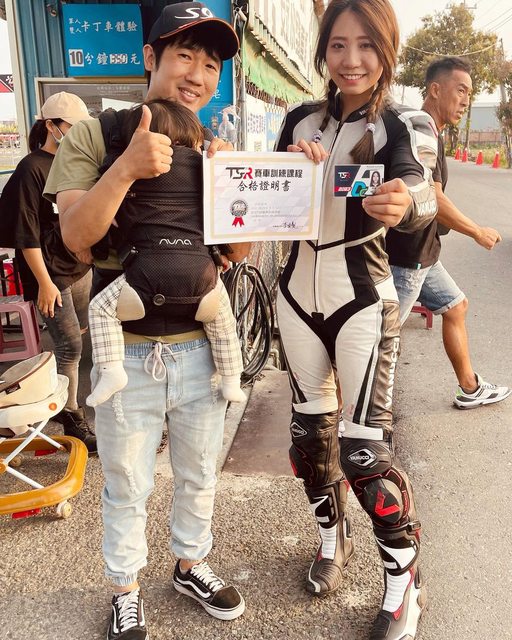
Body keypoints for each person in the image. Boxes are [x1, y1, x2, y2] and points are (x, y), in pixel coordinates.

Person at [44, 3, 250, 638]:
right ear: (150, 57)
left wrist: (232, 183)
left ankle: (190, 562)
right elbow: (75, 236)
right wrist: (127, 167)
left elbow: (239, 252)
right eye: (185, 55)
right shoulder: (95, 135)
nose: (198, 74)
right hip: (125, 349)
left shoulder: (214, 147)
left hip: (200, 346)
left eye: (211, 65)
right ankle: (124, 587)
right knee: (127, 481)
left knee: (200, 472)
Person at [274, 1, 438, 638]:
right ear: (323, 51)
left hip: (364, 300)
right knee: (308, 443)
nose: (351, 60)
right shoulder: (297, 119)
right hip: (294, 297)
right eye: (338, 45)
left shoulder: (402, 123)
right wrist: (286, 164)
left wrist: (406, 202)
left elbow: (421, 190)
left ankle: (403, 586)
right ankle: (332, 537)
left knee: (364, 452)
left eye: (366, 45)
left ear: (387, 50)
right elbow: (256, 197)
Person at [86, 98, 245, 408]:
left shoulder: (127, 167)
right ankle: (231, 379)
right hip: (203, 276)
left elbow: (107, 213)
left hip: (143, 274)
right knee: (223, 325)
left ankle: (112, 370)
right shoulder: (207, 168)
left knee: (100, 310)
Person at [386, 57, 511, 410]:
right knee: (381, 340)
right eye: (461, 91)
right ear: (435, 89)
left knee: (456, 306)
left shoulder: (432, 132)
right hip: (409, 258)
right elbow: (434, 198)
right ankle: (359, 417)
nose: (466, 100)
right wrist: (476, 231)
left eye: (469, 94)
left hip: (424, 254)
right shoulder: (421, 130)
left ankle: (470, 387)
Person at [0, 91, 97, 453]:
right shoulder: (32, 168)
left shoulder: (76, 163)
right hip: (50, 274)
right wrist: (43, 283)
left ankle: (61, 402)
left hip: (79, 268)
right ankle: (71, 416)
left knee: (79, 339)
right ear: (51, 125)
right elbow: (25, 234)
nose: (77, 134)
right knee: (70, 346)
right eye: (72, 127)